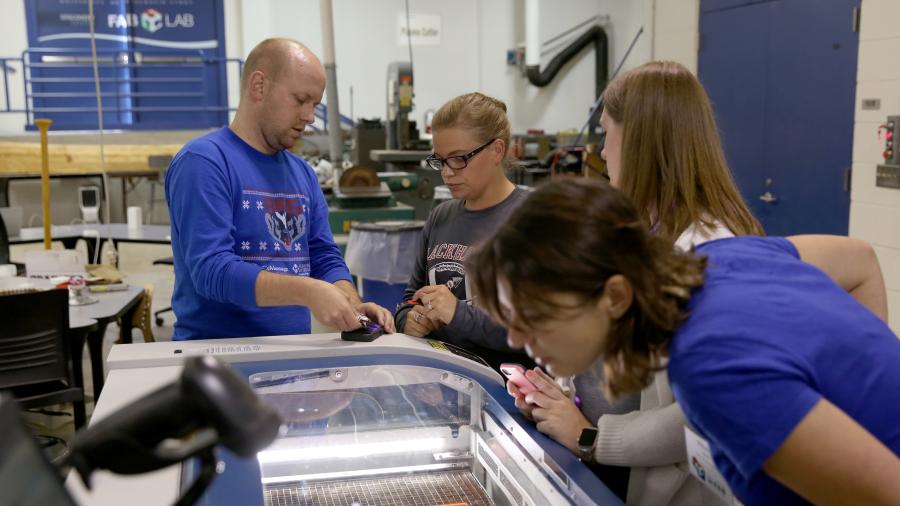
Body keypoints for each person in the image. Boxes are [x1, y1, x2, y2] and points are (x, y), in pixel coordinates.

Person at [469, 178, 900, 505]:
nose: (515, 338)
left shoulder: (711, 367)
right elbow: (858, 258)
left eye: (535, 318)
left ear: (615, 296)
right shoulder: (720, 260)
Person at [507, 61, 764, 505]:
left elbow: (700, 411)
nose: (603, 152)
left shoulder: (708, 251)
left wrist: (589, 436)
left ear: (642, 140)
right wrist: (557, 398)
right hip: (615, 471)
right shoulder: (643, 231)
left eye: (608, 133)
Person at [165, 38, 394, 340]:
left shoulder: (302, 174)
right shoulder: (204, 162)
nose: (310, 116)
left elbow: (322, 255)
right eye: (301, 100)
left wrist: (353, 304)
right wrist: (308, 291)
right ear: (259, 86)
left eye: (315, 105)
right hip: (217, 360)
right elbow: (211, 270)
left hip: (289, 354)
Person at [394, 92, 529, 369]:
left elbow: (536, 331)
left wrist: (457, 314)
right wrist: (410, 319)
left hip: (504, 393)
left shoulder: (534, 220)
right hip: (441, 380)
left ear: (497, 150)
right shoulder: (440, 217)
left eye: (458, 159)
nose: (446, 172)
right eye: (440, 160)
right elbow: (411, 296)